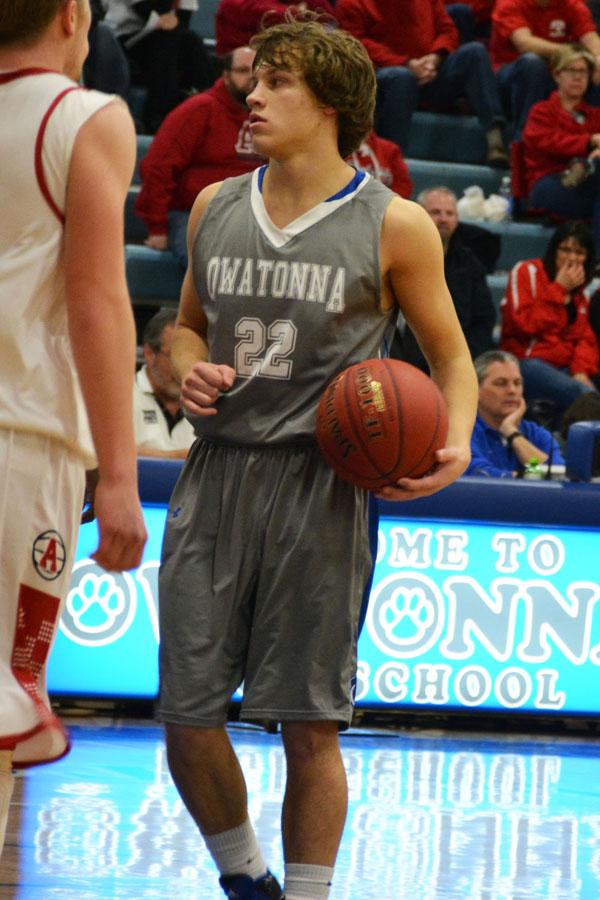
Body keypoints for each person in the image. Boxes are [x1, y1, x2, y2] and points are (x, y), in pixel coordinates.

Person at [157, 14, 477, 900]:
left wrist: (451, 443)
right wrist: (189, 372)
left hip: (322, 488)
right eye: (252, 80)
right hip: (216, 476)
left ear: (330, 103)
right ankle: (244, 878)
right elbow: (183, 329)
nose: (250, 95)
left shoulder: (397, 223)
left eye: (276, 83)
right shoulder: (216, 206)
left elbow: (451, 358)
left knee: (309, 724)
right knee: (185, 714)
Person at [0, 0, 147, 857]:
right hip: (18, 446)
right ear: (72, 15)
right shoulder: (83, 114)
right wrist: (120, 477)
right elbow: (97, 301)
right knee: (9, 708)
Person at [336, 0, 510, 167]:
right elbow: (356, 43)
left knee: (475, 52)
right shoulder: (352, 3)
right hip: (386, 78)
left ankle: (495, 140)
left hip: (430, 71)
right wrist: (406, 63)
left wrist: (435, 58)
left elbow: (447, 29)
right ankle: (392, 161)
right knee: (401, 77)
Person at [136, 46, 261, 273]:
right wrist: (157, 228)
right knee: (210, 269)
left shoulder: (270, 116)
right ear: (225, 76)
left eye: (257, 72)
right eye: (242, 70)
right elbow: (158, 167)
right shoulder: (200, 109)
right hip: (194, 213)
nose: (252, 78)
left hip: (251, 217)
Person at [500, 220, 600, 425]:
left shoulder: (582, 295)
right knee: (583, 396)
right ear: (553, 250)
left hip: (562, 368)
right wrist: (559, 289)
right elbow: (522, 324)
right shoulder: (526, 272)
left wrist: (581, 370)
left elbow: (584, 340)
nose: (571, 258)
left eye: (579, 252)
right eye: (565, 249)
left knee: (578, 405)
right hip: (526, 363)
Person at [392, 186, 496, 369]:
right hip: (398, 363)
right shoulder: (396, 254)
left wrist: (459, 362)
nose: (443, 219)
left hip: (453, 365)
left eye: (450, 213)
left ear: (457, 220)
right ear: (419, 215)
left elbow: (483, 322)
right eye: (435, 212)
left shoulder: (470, 264)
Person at [521, 44, 600, 252]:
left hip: (588, 186)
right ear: (557, 75)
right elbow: (547, 141)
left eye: (583, 72)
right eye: (571, 70)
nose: (578, 77)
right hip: (548, 182)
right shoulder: (541, 112)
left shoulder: (595, 115)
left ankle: (586, 167)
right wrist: (589, 142)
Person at [491, 0, 600, 137]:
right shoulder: (510, 3)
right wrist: (572, 53)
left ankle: (593, 140)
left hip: (555, 73)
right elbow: (525, 43)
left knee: (593, 68)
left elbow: (590, 37)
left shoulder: (571, 4)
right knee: (532, 63)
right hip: (511, 75)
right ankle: (524, 139)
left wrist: (598, 58)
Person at [104, 0, 216, 133]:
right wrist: (170, 21)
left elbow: (182, 20)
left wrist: (172, 22)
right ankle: (158, 116)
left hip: (164, 38)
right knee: (167, 41)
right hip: (122, 40)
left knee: (191, 41)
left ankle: (213, 108)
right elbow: (148, 8)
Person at [466, 350, 565, 476]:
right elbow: (481, 476)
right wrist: (531, 477)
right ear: (475, 389)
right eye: (501, 383)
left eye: (517, 383)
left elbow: (557, 476)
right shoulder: (464, 432)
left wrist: (513, 434)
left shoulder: (537, 434)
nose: (512, 390)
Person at [134, 309, 196, 458]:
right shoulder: (121, 396)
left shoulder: (207, 402)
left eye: (190, 358)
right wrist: (176, 458)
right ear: (149, 354)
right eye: (175, 356)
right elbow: (108, 453)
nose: (183, 368)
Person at [215, 0, 337, 57]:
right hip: (243, 71)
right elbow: (267, 14)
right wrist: (298, 13)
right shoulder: (235, 4)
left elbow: (330, 21)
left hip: (293, 62)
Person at [347, 129, 413, 197]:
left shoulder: (390, 149)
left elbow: (404, 185)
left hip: (385, 203)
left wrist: (388, 201)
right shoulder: (338, 150)